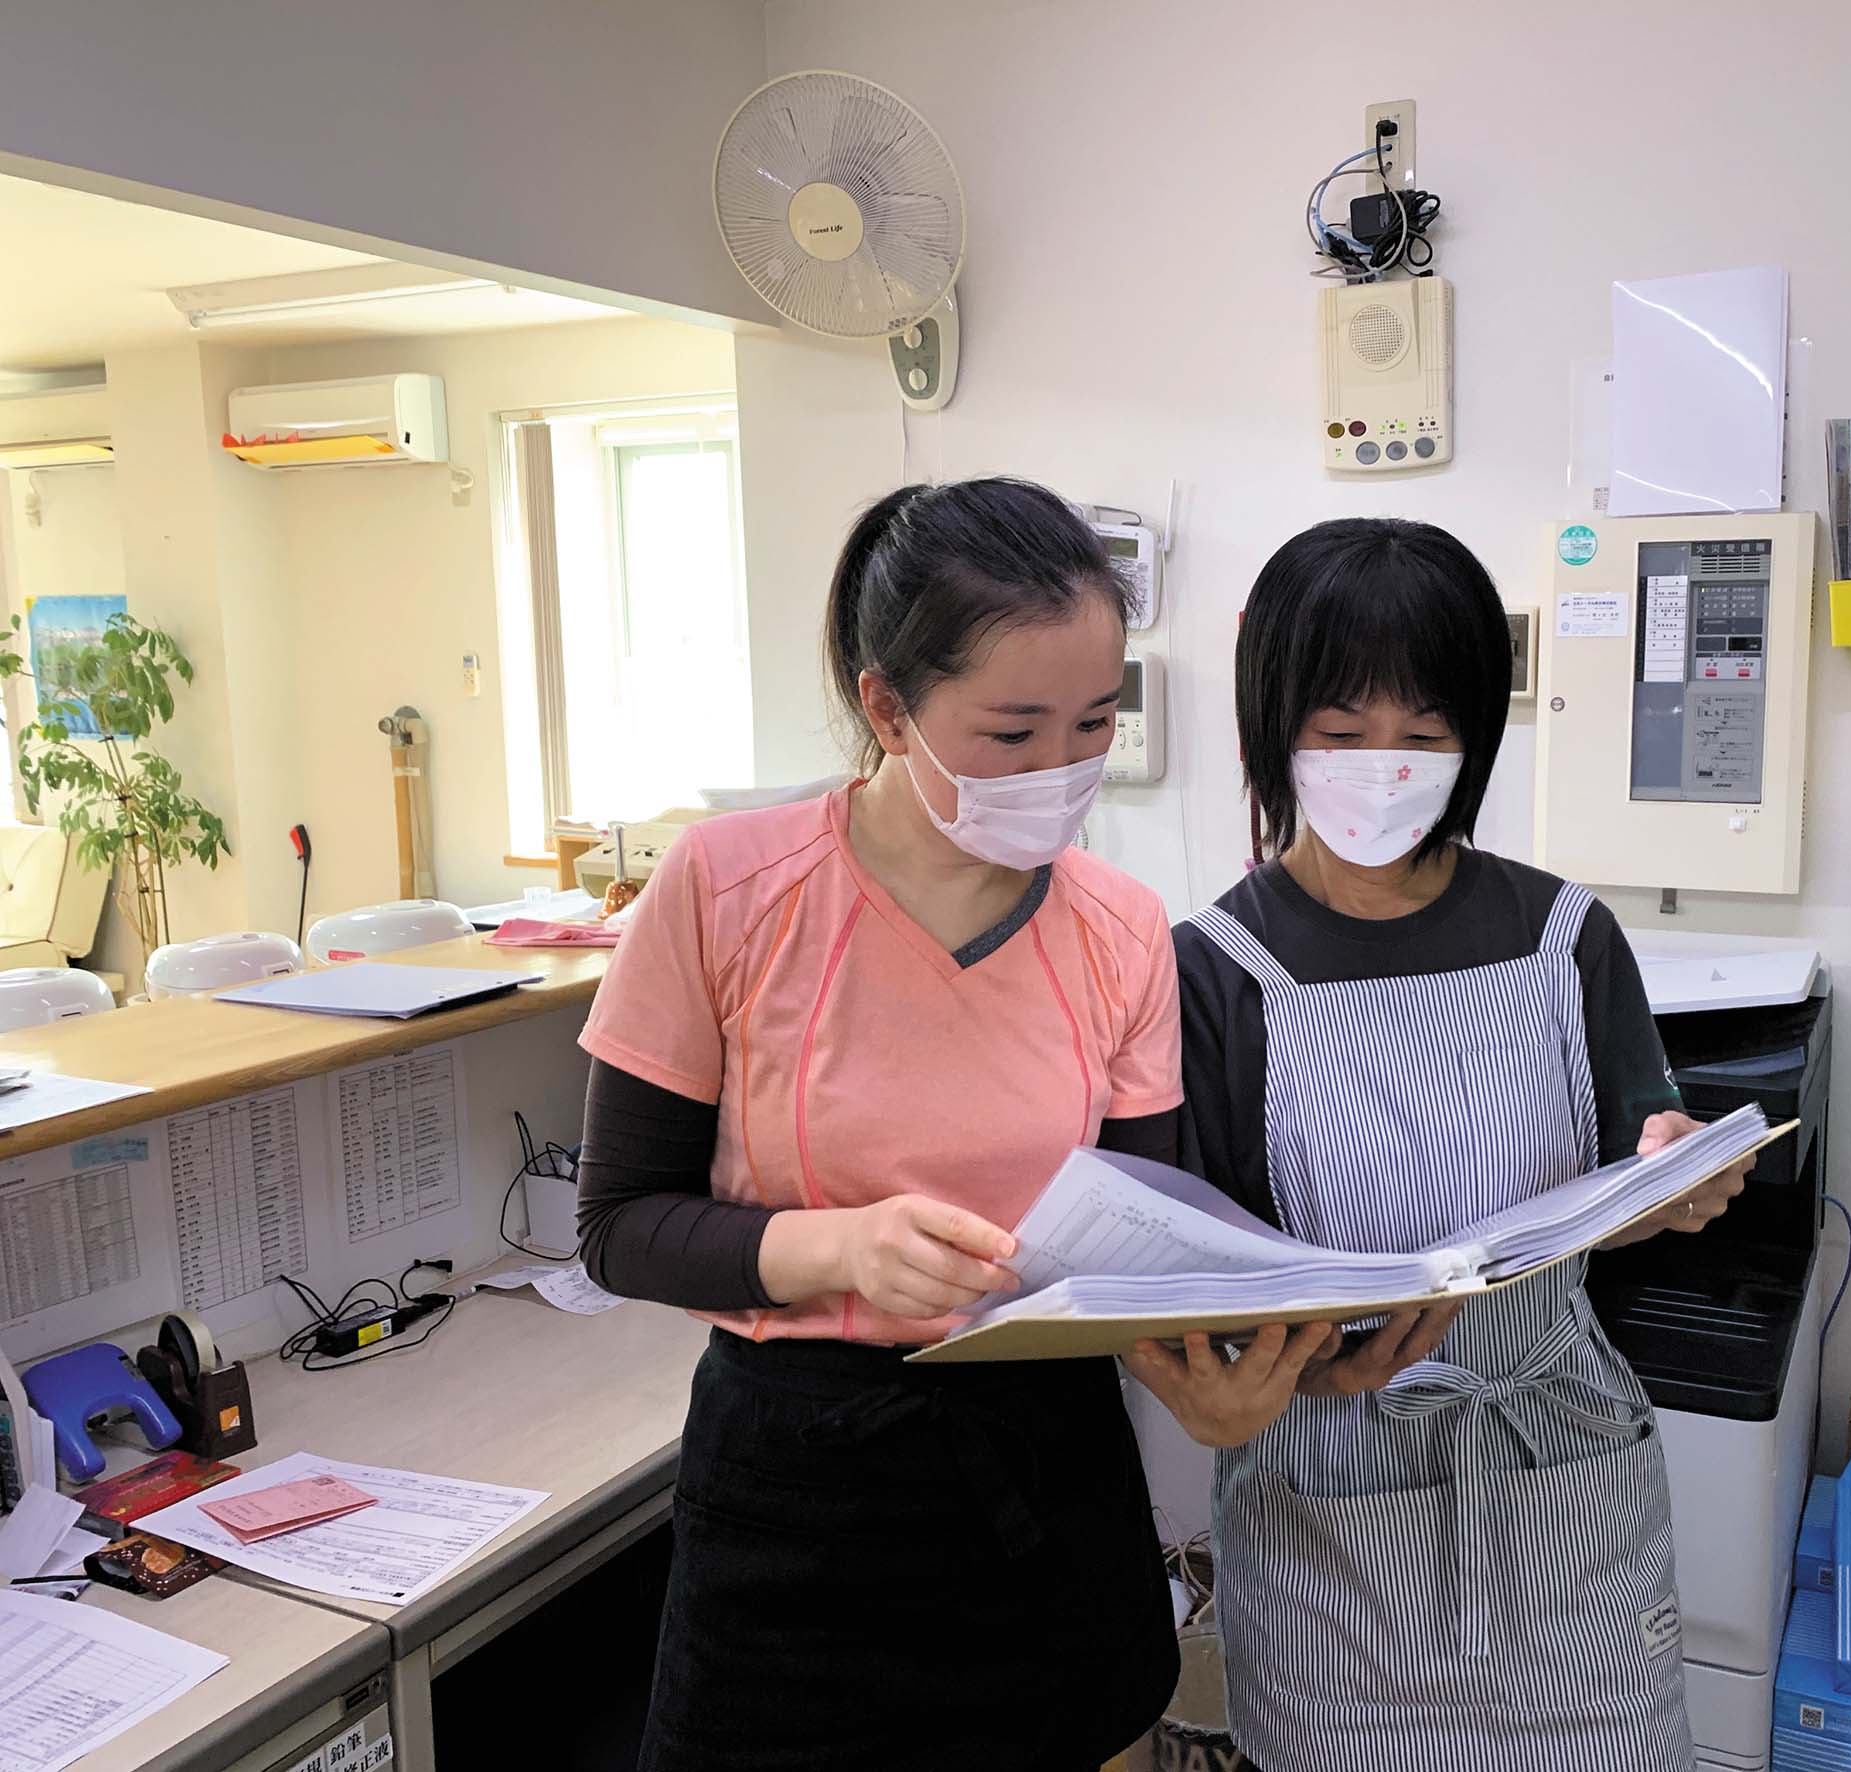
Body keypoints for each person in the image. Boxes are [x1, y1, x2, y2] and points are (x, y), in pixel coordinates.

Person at [1125, 517, 1754, 1772]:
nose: (1383, 769)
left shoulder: (1562, 934)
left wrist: (1674, 1182)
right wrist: (1214, 1376)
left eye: (1422, 733)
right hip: (1328, 1490)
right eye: (1340, 732)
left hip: (1557, 1463)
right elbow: (1176, 1269)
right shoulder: (1207, 970)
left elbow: (1630, 1168)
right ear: (1270, 729)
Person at [575, 478, 1185, 1770]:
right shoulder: (728, 888)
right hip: (800, 1491)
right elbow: (621, 1226)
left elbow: (1150, 1229)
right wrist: (842, 1248)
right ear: (887, 706)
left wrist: (1229, 1358)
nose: (1063, 767)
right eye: (1013, 731)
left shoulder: (1124, 929)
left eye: (1094, 721)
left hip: (1049, 1477)